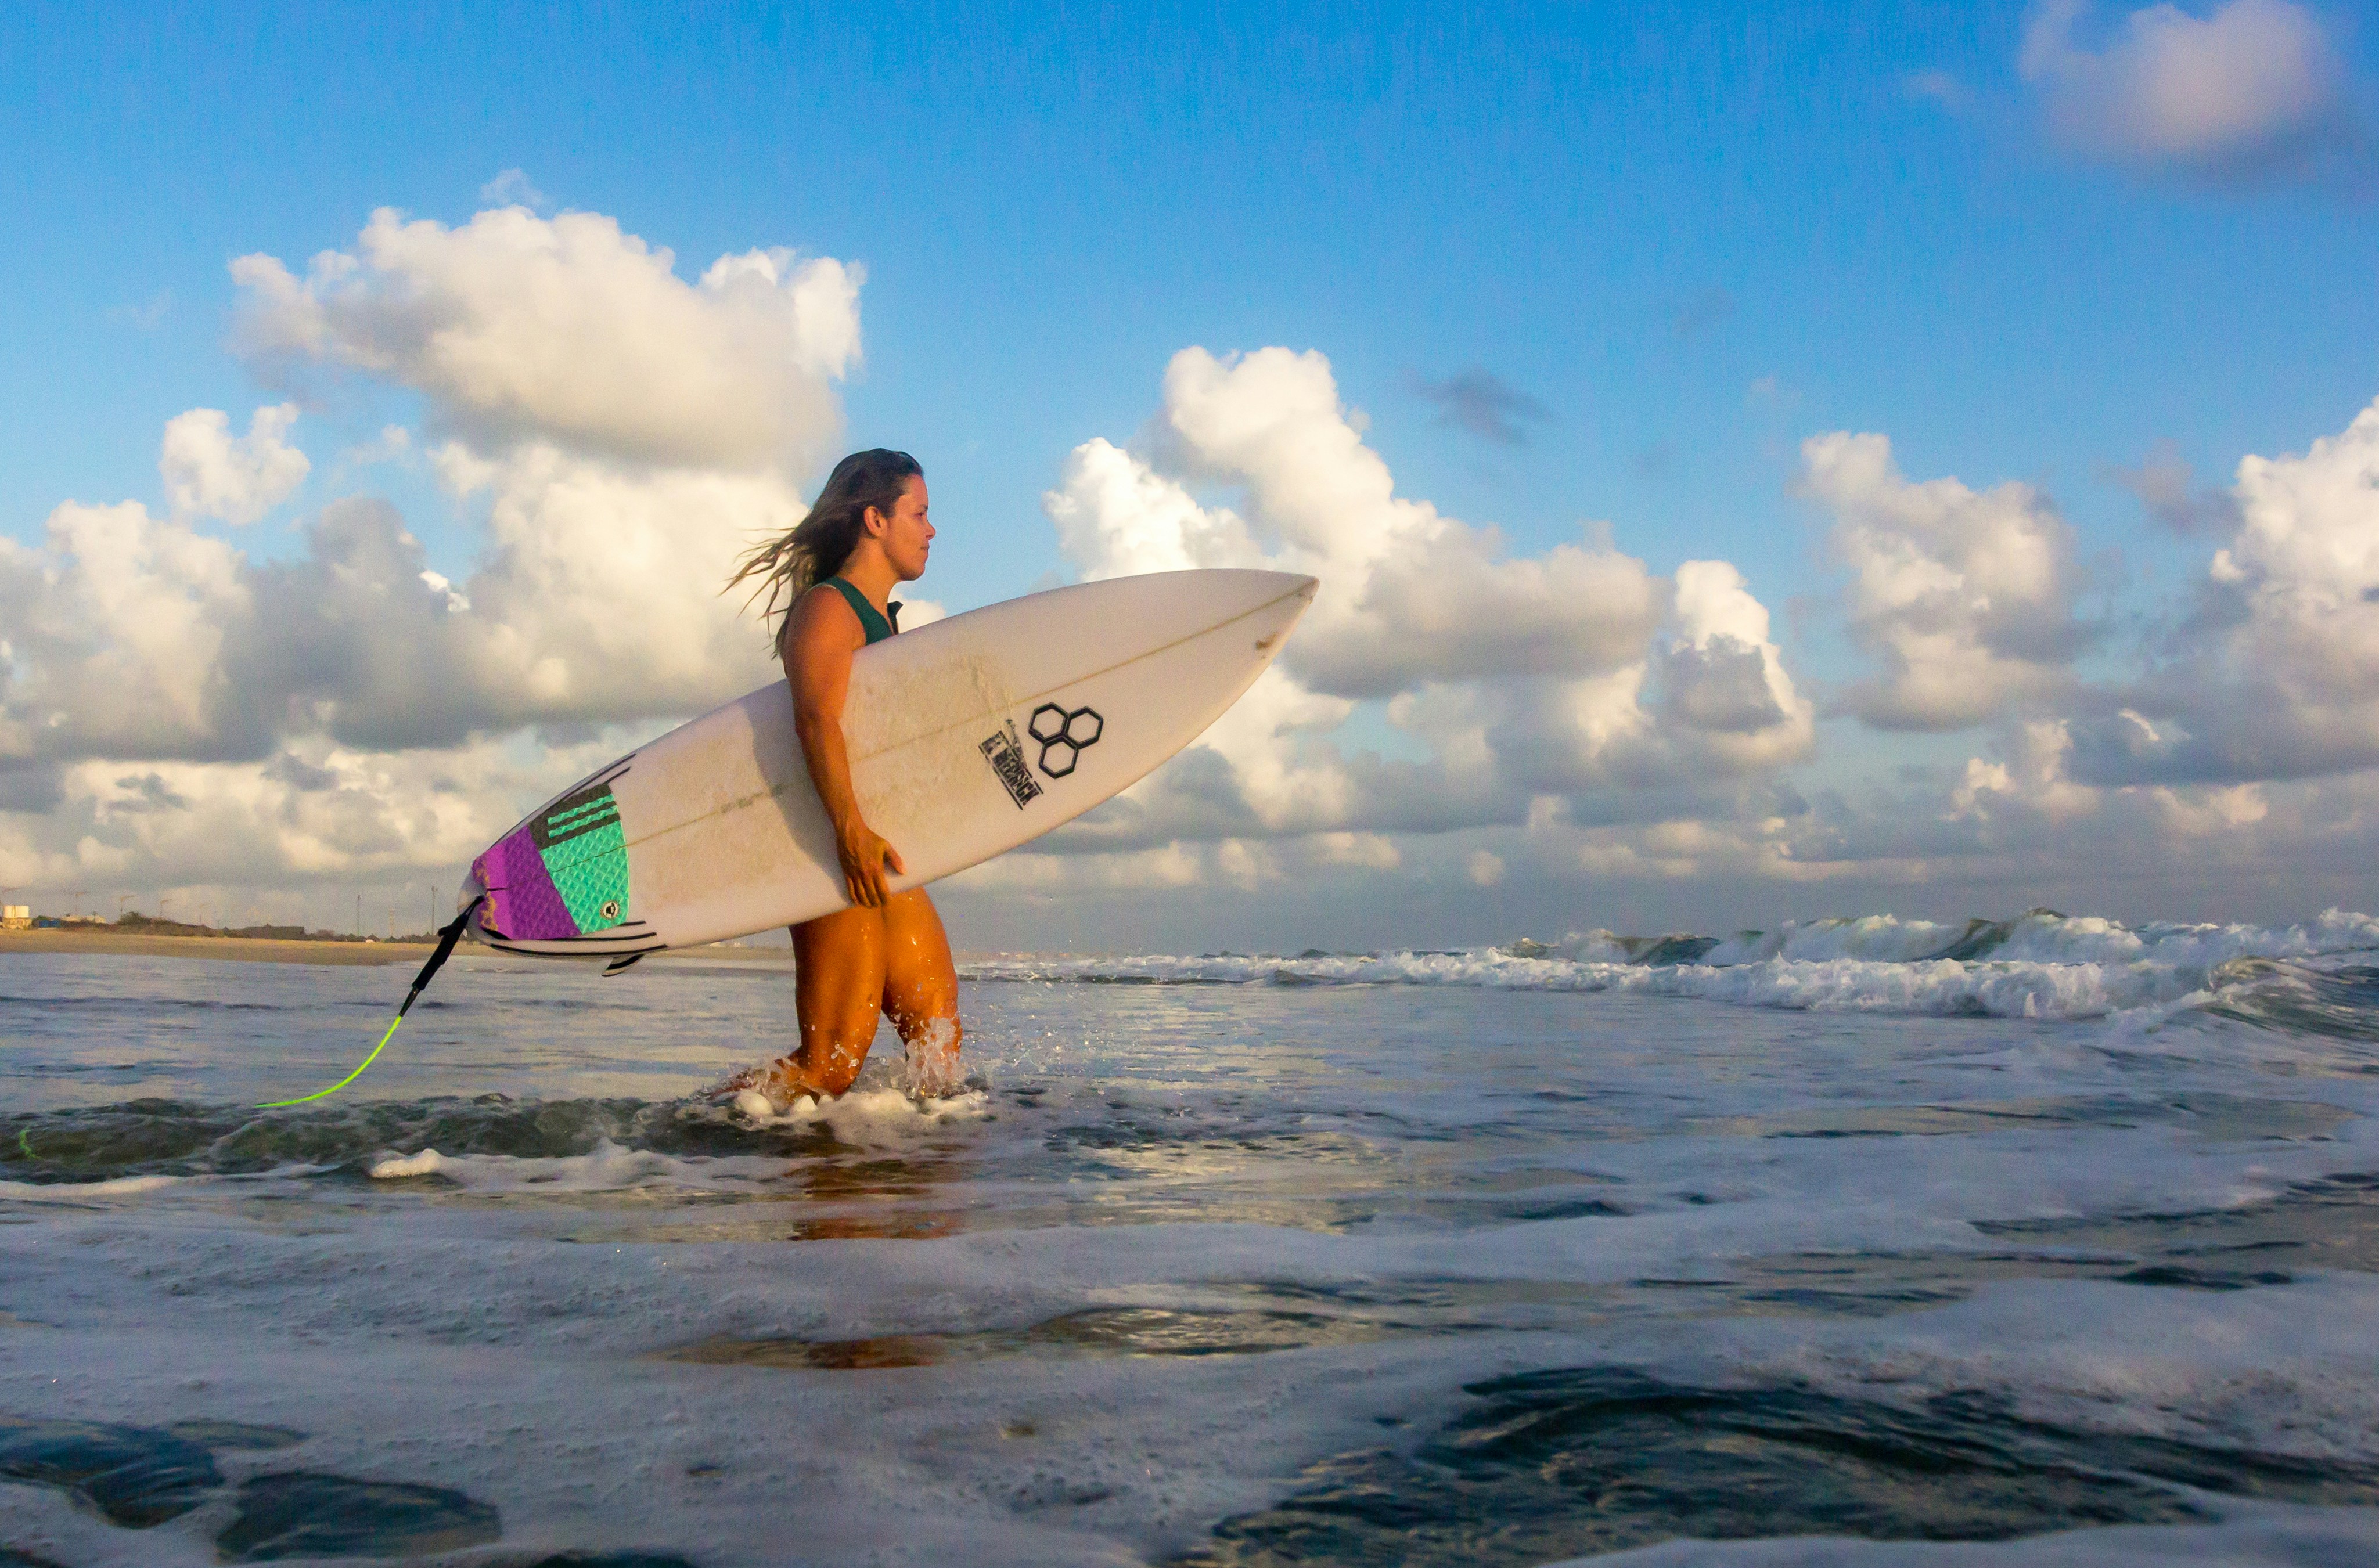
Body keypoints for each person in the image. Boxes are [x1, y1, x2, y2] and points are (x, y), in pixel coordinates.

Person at [722, 449, 962, 1102]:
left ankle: (906, 1185)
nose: (931, 529)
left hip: (875, 846)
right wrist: (848, 829)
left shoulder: (881, 619)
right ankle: (681, 1137)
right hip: (835, 847)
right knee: (829, 1065)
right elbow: (815, 722)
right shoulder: (830, 608)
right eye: (920, 512)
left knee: (936, 1048)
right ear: (874, 520)